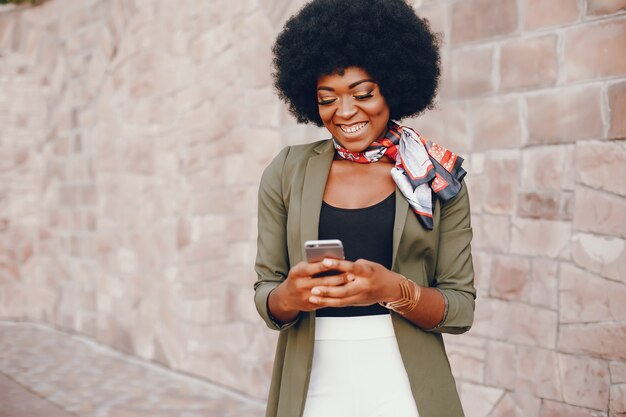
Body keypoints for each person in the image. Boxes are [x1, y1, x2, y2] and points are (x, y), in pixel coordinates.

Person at [254, 1, 476, 416]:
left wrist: (391, 289)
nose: (345, 112)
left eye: (363, 93)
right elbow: (267, 294)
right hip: (313, 380)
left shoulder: (436, 177)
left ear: (393, 85)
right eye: (327, 98)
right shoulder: (286, 171)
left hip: (405, 384)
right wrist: (292, 293)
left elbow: (460, 308)